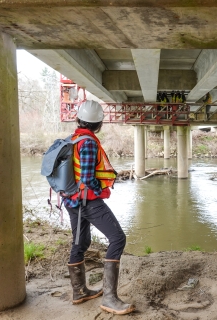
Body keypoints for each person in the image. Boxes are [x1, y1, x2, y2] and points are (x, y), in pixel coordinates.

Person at [63, 100, 135, 315]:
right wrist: (100, 187)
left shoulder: (72, 139)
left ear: (78, 120)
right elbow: (86, 177)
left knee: (80, 241)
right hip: (87, 200)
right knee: (117, 238)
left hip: (71, 200)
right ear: (99, 124)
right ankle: (110, 298)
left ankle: (79, 292)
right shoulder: (89, 143)